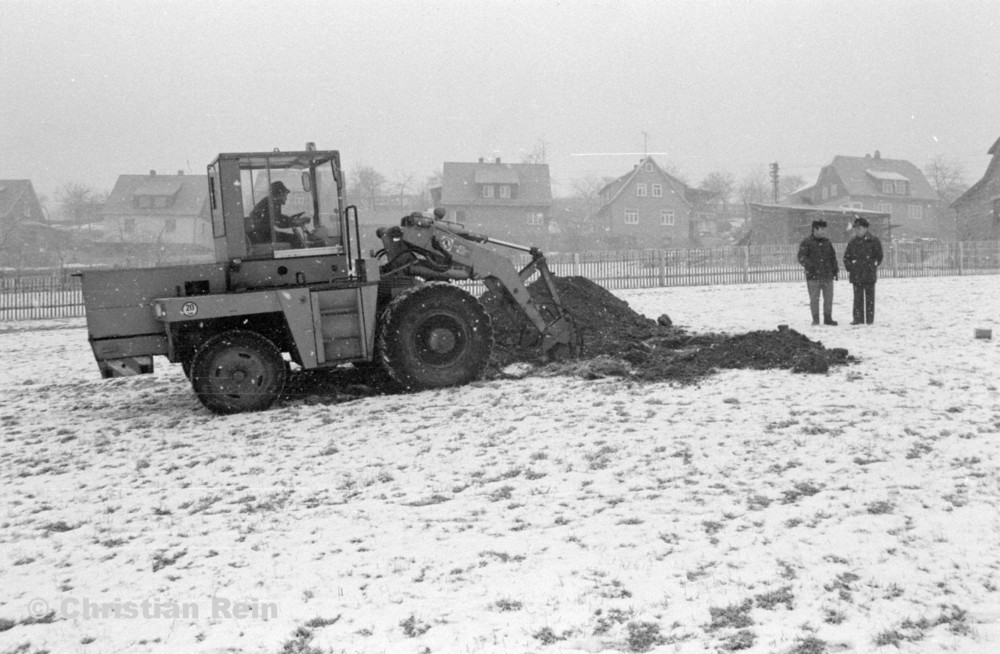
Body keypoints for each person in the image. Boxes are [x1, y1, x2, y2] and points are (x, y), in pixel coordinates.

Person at [797, 219, 839, 326]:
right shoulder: (807, 243)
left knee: (828, 298)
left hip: (827, 275)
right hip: (813, 277)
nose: (824, 232)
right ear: (814, 229)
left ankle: (828, 318)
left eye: (824, 229)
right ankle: (815, 319)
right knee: (814, 299)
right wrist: (810, 266)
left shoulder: (827, 243)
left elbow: (832, 257)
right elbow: (801, 257)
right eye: (821, 229)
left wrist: (835, 270)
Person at [843, 216, 884, 325]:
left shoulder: (874, 241)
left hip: (869, 274)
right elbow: (846, 257)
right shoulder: (852, 242)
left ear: (866, 228)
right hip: (856, 275)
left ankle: (869, 319)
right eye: (855, 228)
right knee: (857, 298)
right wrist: (851, 267)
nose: (857, 230)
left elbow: (879, 256)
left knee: (869, 298)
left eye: (859, 228)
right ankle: (857, 318)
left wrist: (873, 265)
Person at [245, 181, 310, 247]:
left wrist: (291, 220)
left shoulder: (269, 201)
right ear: (281, 193)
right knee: (295, 239)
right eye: (285, 195)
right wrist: (295, 221)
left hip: (260, 235)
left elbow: (277, 218)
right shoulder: (273, 202)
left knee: (292, 238)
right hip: (262, 235)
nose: (286, 198)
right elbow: (279, 222)